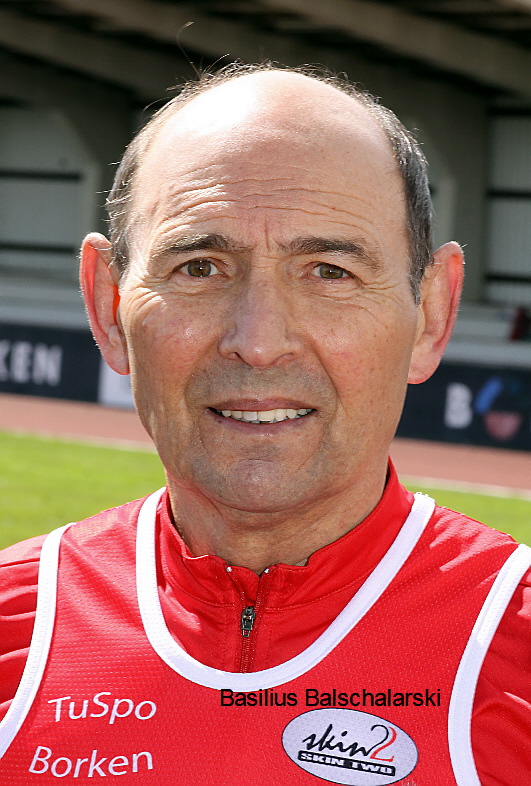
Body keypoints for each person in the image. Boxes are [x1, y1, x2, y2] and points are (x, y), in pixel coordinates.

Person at [0, 64, 529, 785]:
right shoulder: (14, 627)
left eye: (330, 271)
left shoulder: (517, 650)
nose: (258, 341)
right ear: (108, 306)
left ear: (431, 314)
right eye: (199, 267)